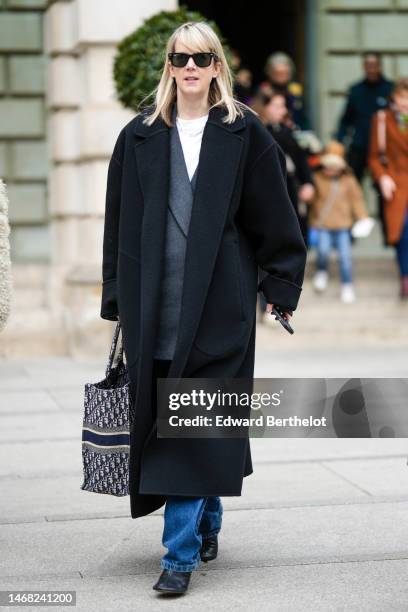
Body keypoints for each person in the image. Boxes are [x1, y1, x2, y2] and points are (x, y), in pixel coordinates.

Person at [100, 21, 307, 595]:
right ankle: (206, 520)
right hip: (154, 310)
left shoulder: (246, 134)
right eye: (180, 58)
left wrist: (281, 290)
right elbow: (117, 224)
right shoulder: (137, 136)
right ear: (168, 67)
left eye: (201, 58)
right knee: (190, 426)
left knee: (190, 425)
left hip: (219, 308)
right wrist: (115, 297)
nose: (190, 67)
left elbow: (276, 219)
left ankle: (179, 555)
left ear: (218, 67)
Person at [251, 85, 313, 323]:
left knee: (286, 247)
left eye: (283, 105)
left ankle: (277, 299)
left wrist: (308, 183)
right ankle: (263, 304)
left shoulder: (285, 133)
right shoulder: (254, 133)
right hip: (262, 203)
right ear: (264, 107)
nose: (283, 110)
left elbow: (301, 162)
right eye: (277, 105)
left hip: (287, 198)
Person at [336, 52, 394, 245]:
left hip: (383, 151)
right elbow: (346, 120)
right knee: (353, 189)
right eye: (367, 65)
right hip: (359, 148)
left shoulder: (390, 89)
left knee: (384, 191)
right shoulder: (356, 90)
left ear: (379, 66)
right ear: (364, 67)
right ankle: (352, 233)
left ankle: (389, 234)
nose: (371, 69)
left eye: (374, 65)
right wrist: (340, 142)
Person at [306, 142, 369, 303]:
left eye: (335, 166)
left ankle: (347, 284)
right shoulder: (316, 179)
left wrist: (362, 216)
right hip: (322, 225)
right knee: (323, 251)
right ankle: (321, 271)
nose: (331, 170)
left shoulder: (349, 180)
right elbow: (312, 200)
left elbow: (357, 200)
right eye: (328, 166)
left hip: (343, 225)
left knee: (346, 257)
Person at [368, 78, 408, 299]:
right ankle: (405, 278)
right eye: (403, 97)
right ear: (395, 98)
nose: (406, 103)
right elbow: (374, 157)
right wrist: (382, 177)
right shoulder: (382, 119)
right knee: (402, 232)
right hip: (396, 184)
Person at [262, 51, 311, 131]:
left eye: (285, 73)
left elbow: (302, 114)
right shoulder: (264, 89)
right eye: (278, 73)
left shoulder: (295, 89)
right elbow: (249, 103)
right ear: (270, 73)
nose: (281, 77)